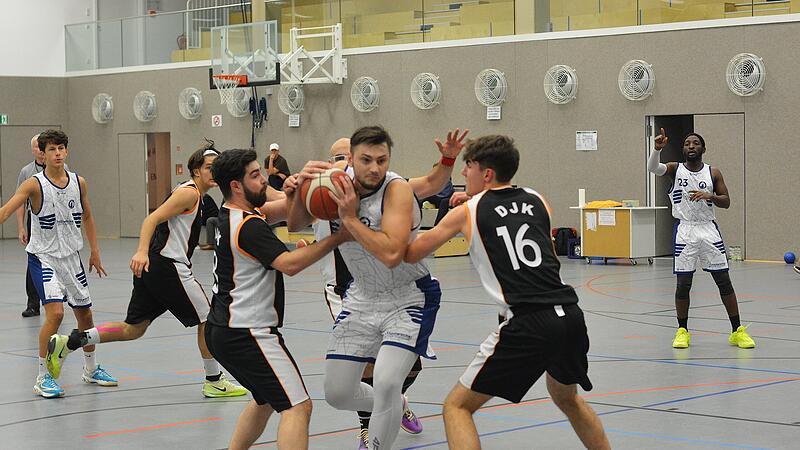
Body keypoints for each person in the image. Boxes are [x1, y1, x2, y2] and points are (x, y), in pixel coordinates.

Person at [405, 134, 611, 450]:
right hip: (570, 315)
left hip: (529, 321)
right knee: (566, 397)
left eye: (468, 167)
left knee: (457, 407)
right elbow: (516, 224)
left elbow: (411, 253)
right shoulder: (538, 199)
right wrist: (470, 201)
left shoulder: (468, 211)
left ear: (486, 173)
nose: (464, 173)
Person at [290, 129, 467, 449]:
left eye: (382, 160)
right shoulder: (328, 186)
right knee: (338, 393)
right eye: (364, 160)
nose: (374, 167)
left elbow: (394, 251)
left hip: (406, 295)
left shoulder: (395, 189)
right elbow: (293, 223)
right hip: (355, 293)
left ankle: (378, 424)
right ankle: (393, 405)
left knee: (386, 381)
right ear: (348, 161)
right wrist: (298, 187)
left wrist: (349, 220)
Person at [46, 145, 249, 398]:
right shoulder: (189, 194)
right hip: (168, 266)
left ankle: (71, 342)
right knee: (207, 318)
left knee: (134, 328)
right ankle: (214, 380)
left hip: (155, 268)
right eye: (209, 167)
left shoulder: (199, 196)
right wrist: (141, 251)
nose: (214, 172)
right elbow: (151, 219)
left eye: (216, 168)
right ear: (196, 171)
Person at [204, 148, 348, 450]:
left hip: (222, 331)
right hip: (247, 333)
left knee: (266, 400)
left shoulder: (229, 215)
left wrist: (298, 187)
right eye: (255, 175)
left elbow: (286, 210)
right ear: (236, 185)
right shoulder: (249, 226)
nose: (264, 180)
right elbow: (290, 265)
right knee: (298, 406)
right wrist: (338, 237)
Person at [0, 129, 116, 398]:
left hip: (72, 257)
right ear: (42, 153)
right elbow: (5, 211)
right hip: (44, 257)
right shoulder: (33, 184)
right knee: (56, 314)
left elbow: (88, 216)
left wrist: (94, 250)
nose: (58, 153)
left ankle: (91, 369)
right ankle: (42, 377)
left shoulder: (78, 182)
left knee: (86, 316)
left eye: (61, 148)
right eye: (52, 149)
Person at [648, 128, 755, 349]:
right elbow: (653, 168)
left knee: (723, 281)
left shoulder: (713, 172)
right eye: (687, 143)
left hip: (708, 230)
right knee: (683, 283)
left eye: (696, 143)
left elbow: (726, 201)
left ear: (703, 149)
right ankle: (682, 331)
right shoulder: (675, 169)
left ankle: (737, 331)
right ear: (683, 149)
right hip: (685, 230)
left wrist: (710, 196)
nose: (691, 146)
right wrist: (656, 150)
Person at [16, 134, 70, 317]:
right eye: (38, 147)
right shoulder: (27, 172)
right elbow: (19, 203)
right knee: (35, 261)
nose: (41, 151)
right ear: (35, 150)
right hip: (36, 221)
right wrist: (21, 227)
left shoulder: (64, 169)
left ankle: (58, 297)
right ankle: (33, 303)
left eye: (59, 148)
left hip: (59, 221)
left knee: (60, 259)